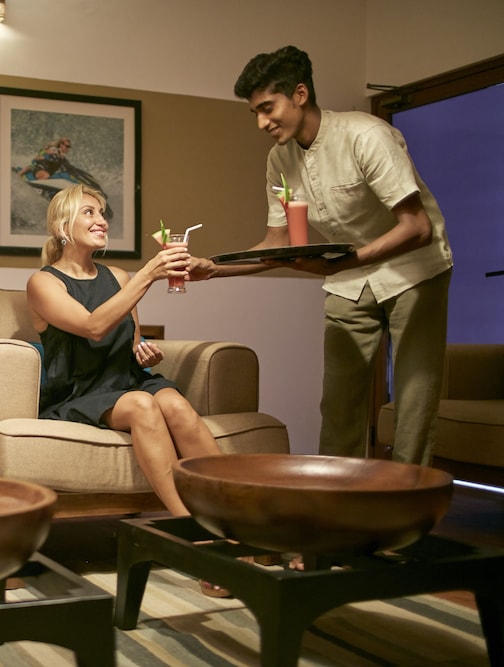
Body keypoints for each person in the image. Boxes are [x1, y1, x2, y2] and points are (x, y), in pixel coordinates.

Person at [189, 45, 453, 467]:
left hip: (414, 271)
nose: (261, 123)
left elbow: (417, 227)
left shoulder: (367, 136)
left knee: (413, 401)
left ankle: (405, 498)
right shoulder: (279, 160)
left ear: (300, 94)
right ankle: (338, 498)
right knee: (339, 405)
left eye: (267, 108)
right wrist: (212, 268)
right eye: (255, 112)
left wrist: (346, 262)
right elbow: (277, 243)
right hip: (349, 282)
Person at [26, 184, 222, 518]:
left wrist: (144, 353)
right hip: (80, 392)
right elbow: (93, 326)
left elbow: (133, 342)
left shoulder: (118, 277)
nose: (101, 220)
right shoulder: (43, 283)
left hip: (127, 380)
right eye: (89, 212)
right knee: (142, 405)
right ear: (62, 227)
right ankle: (189, 522)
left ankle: (231, 512)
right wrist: (148, 274)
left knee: (176, 405)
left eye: (102, 213)